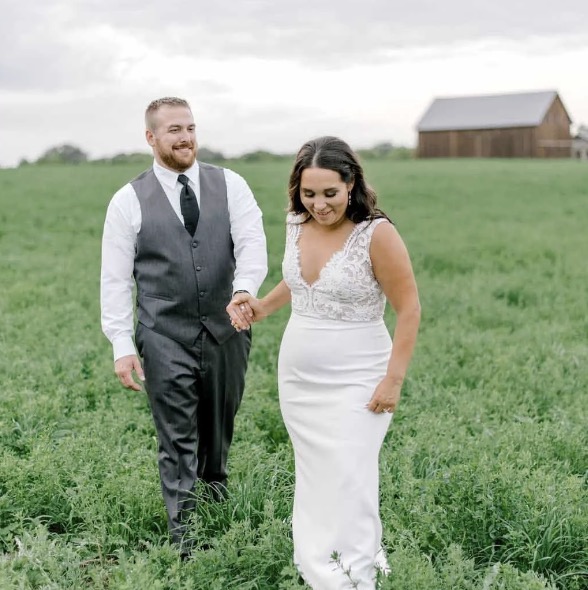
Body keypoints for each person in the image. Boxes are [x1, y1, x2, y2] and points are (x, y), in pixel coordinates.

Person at [227, 136, 420, 589]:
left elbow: (409, 308)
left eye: (329, 193)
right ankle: (320, 563)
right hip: (299, 378)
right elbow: (298, 281)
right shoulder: (297, 223)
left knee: (350, 472)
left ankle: (357, 571)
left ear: (351, 184)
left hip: (361, 374)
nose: (319, 205)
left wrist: (393, 380)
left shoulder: (377, 233)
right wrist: (261, 307)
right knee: (316, 472)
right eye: (309, 194)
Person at [100, 97, 267, 556]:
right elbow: (114, 280)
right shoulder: (127, 201)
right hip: (163, 336)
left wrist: (244, 288)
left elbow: (252, 242)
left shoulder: (230, 184)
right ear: (151, 138)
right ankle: (187, 544)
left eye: (190, 127)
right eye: (174, 129)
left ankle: (217, 522)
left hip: (227, 329)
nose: (185, 137)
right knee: (177, 440)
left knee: (217, 437)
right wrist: (120, 344)